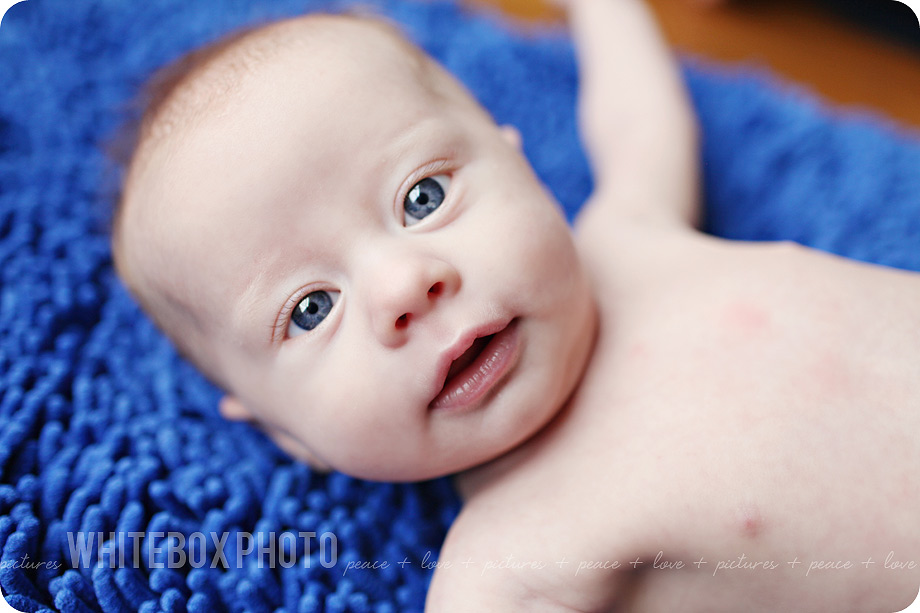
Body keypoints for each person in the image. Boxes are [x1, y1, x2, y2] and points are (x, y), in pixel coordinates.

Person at [111, 0, 920, 610]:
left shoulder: (625, 237)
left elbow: (638, 119)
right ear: (286, 432)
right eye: (312, 308)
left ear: (518, 163)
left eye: (422, 196)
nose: (404, 285)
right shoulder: (507, 563)